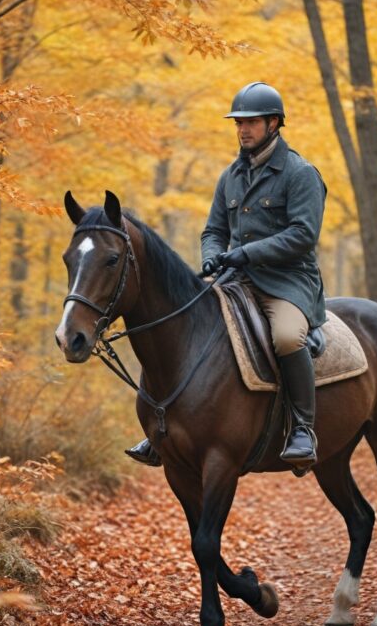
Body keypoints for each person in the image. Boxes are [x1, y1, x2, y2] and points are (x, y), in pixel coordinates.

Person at [126, 82, 327, 471]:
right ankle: (163, 427)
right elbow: (213, 231)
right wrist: (214, 258)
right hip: (235, 278)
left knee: (286, 337)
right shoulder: (230, 176)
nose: (242, 130)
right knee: (181, 325)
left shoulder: (300, 173)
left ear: (273, 123)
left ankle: (303, 428)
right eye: (238, 123)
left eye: (251, 122)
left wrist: (244, 253)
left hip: (287, 282)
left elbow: (303, 235)